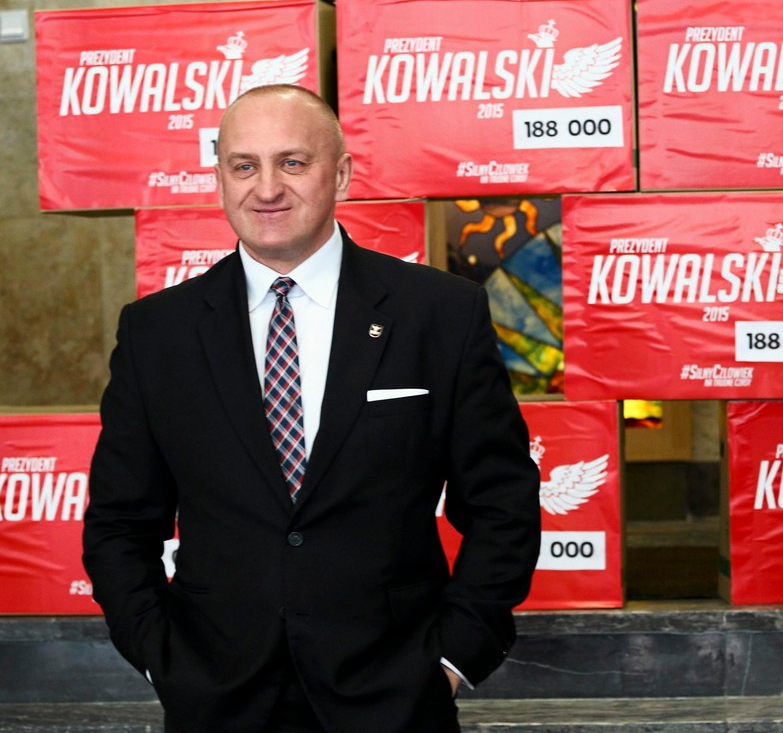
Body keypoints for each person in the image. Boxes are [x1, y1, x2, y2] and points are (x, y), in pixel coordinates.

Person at [83, 84, 541, 733]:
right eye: (244, 165)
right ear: (220, 180)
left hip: (395, 696)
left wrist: (452, 657)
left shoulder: (439, 313)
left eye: (292, 162)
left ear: (342, 175)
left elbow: (503, 503)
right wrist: (163, 660)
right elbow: (119, 523)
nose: (267, 187)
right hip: (218, 700)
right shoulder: (157, 332)